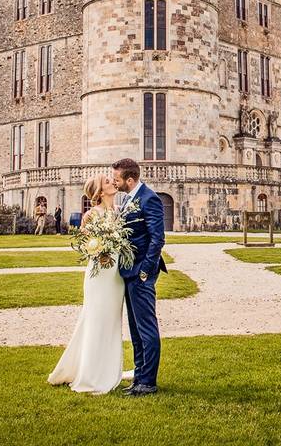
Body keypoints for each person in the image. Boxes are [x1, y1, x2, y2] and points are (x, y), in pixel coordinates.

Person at [48, 174, 131, 395]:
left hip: (116, 276)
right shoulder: (91, 215)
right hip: (99, 276)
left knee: (111, 322)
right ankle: (91, 373)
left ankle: (108, 368)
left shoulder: (117, 212)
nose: (113, 182)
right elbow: (86, 246)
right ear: (100, 193)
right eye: (106, 182)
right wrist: (99, 248)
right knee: (95, 319)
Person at [111, 158, 167, 396]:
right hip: (129, 271)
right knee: (135, 329)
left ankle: (148, 382)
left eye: (117, 179)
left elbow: (157, 238)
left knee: (146, 327)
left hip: (141, 273)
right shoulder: (129, 199)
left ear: (129, 180)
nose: (114, 183)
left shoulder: (149, 198)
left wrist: (145, 270)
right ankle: (140, 375)